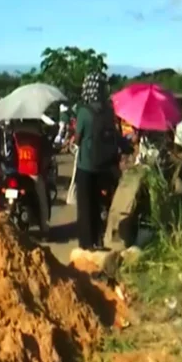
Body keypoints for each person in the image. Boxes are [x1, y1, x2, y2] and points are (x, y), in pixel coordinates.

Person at [75, 72, 120, 250]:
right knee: (102, 203)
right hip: (106, 165)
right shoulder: (109, 111)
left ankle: (87, 242)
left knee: (86, 206)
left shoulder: (84, 112)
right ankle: (102, 237)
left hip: (87, 167)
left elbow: (78, 138)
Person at [10, 118, 51, 235]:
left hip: (18, 172)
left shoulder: (16, 134)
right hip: (33, 172)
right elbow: (46, 157)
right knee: (42, 199)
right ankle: (45, 228)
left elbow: (12, 154)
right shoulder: (39, 135)